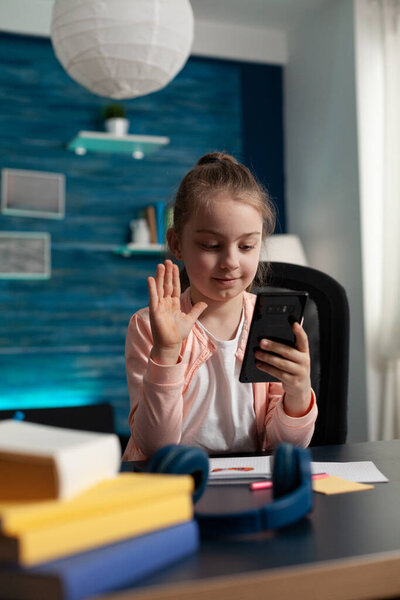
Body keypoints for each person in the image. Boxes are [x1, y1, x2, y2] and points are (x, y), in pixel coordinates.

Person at [122, 152, 317, 461]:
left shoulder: (275, 322)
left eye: (246, 246)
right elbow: (156, 449)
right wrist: (167, 353)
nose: (230, 262)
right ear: (176, 244)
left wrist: (298, 392)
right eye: (211, 246)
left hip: (249, 485)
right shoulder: (148, 326)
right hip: (175, 487)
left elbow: (286, 450)